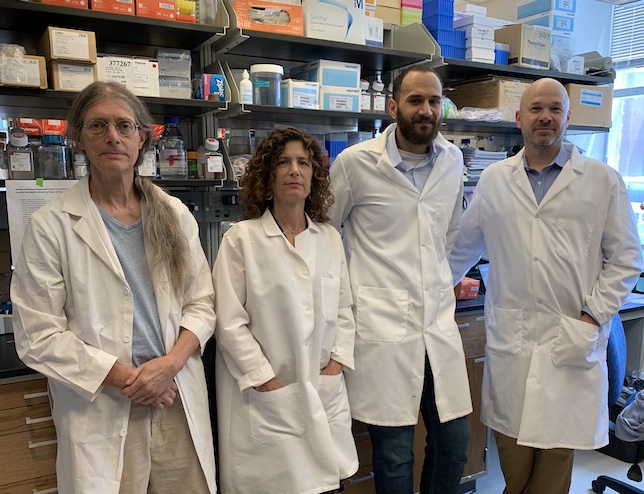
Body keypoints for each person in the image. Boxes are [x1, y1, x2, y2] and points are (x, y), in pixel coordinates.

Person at [11, 81, 217, 494]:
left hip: (174, 396)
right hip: (103, 402)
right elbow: (38, 336)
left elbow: (202, 304)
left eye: (124, 126)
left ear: (143, 137)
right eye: (98, 126)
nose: (113, 137)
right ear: (78, 138)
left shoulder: (174, 213)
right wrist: (132, 380)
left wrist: (169, 366)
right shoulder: (51, 225)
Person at [449, 77, 644, 494]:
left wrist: (592, 316)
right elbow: (459, 250)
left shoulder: (602, 180)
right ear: (519, 118)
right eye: (536, 109)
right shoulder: (495, 180)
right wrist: (426, 295)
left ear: (568, 118)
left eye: (555, 109)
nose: (545, 117)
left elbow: (627, 259)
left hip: (571, 339)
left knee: (553, 469)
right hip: (512, 344)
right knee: (514, 464)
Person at [328, 65, 472, 494]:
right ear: (393, 107)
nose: (426, 110)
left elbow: (449, 234)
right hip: (382, 331)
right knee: (394, 457)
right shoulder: (355, 163)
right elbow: (326, 235)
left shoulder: (453, 161)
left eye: (434, 101)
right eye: (415, 100)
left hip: (438, 329)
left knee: (454, 444)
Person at [212, 127, 358, 494]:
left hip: (321, 387)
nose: (295, 170)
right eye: (283, 162)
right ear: (267, 176)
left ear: (314, 176)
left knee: (327, 483)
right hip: (266, 393)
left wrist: (337, 362)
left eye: (303, 162)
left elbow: (344, 308)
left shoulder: (329, 238)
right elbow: (229, 322)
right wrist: (265, 380)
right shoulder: (241, 239)